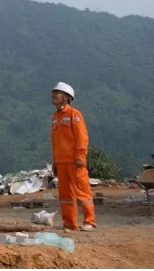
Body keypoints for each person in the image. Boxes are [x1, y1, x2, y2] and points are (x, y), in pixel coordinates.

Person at [51, 82, 97, 231]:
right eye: (54, 93)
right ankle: (70, 223)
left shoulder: (74, 114)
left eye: (57, 93)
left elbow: (82, 137)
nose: (53, 96)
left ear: (66, 97)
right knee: (65, 195)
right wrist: (55, 161)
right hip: (61, 161)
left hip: (74, 161)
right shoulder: (55, 117)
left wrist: (80, 157)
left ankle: (89, 221)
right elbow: (55, 141)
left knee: (82, 191)